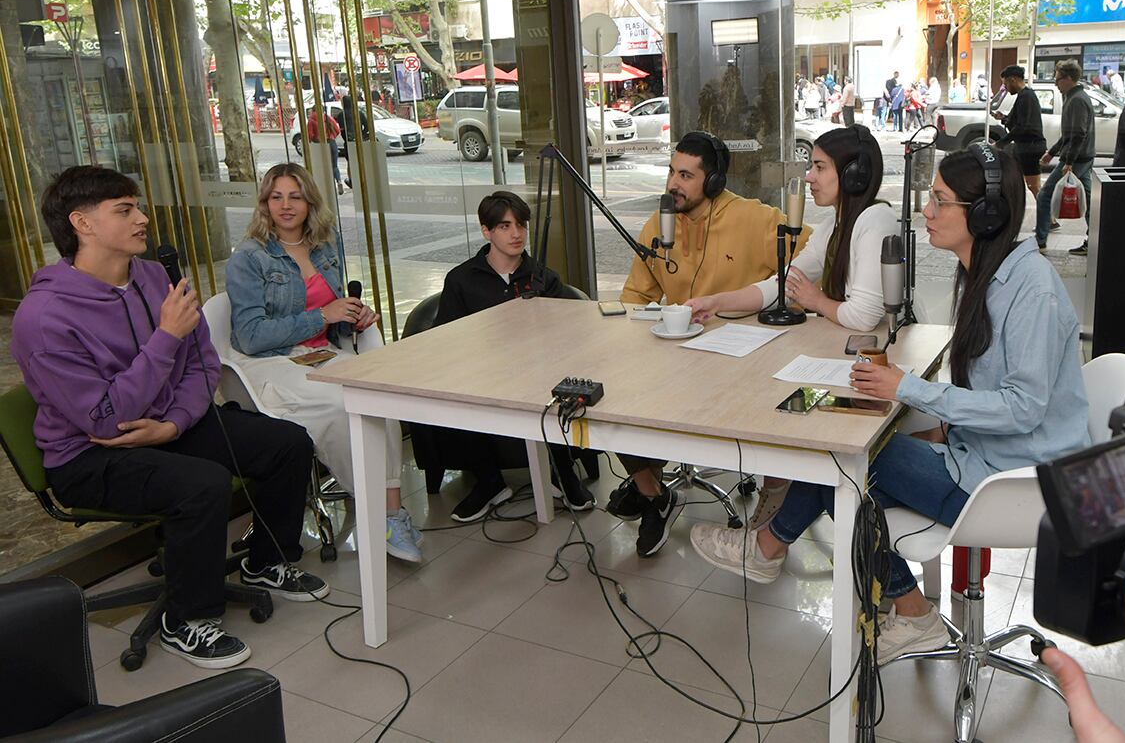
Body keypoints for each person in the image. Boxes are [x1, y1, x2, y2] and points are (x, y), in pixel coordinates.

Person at [689, 146, 1091, 666]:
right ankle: (770, 547)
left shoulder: (1030, 289)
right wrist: (935, 424)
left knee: (843, 468)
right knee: (845, 439)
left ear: (985, 215)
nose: (925, 211)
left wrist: (906, 388)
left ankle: (904, 607)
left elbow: (1022, 410)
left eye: (940, 201)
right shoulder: (988, 271)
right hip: (983, 454)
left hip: (1009, 482)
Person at [12, 166, 330, 669]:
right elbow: (103, 417)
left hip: (164, 426)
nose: (142, 218)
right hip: (92, 454)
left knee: (287, 442)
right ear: (82, 223)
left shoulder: (154, 276)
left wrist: (175, 423)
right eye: (124, 210)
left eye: (138, 206)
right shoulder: (43, 318)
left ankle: (266, 562)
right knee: (201, 483)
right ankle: (185, 619)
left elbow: (202, 361)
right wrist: (164, 338)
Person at [612, 132, 813, 556]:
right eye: (671, 171)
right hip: (675, 357)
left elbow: (816, 252)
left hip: (741, 365)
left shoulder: (753, 219)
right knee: (607, 399)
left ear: (715, 181)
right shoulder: (659, 223)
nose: (673, 184)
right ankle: (655, 495)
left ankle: (775, 487)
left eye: (686, 175)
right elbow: (635, 297)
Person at [688, 125, 897, 529]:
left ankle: (778, 504)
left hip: (870, 366)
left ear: (853, 174)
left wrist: (816, 300)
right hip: (842, 356)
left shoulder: (874, 219)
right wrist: (717, 302)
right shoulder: (838, 223)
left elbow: (862, 315)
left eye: (819, 167)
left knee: (790, 406)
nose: (809, 177)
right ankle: (777, 498)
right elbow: (783, 283)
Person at [224, 163, 423, 564]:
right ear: (264, 203)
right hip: (271, 362)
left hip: (324, 355)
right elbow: (250, 336)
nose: (285, 205)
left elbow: (332, 312)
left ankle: (389, 511)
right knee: (342, 404)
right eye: (275, 197)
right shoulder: (249, 258)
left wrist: (356, 315)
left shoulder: (325, 246)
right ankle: (381, 513)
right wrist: (323, 317)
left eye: (294, 196)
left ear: (309, 200)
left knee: (379, 397)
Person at [407, 191, 597, 522]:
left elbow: (564, 336)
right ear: (487, 231)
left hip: (537, 369)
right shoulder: (461, 279)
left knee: (557, 386)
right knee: (462, 393)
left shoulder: (543, 278)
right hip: (481, 371)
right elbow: (445, 338)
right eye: (505, 226)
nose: (516, 234)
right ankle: (490, 482)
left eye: (521, 225)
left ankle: (563, 474)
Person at [1037, 59, 1096, 255]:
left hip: (1078, 159)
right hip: (1083, 158)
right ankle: (1095, 240)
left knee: (1045, 195)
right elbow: (1070, 134)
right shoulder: (1075, 97)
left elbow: (1078, 134)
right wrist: (1052, 152)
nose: (1056, 83)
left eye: (1058, 79)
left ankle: (1040, 241)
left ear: (1069, 79)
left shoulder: (1077, 100)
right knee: (1089, 201)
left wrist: (1068, 162)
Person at [993, 65, 1047, 197]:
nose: (1005, 87)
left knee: (1034, 187)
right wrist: (1004, 118)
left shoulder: (1026, 97)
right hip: (1025, 147)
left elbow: (1023, 126)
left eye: (1005, 83)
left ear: (1013, 80)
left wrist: (1000, 143)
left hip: (1030, 148)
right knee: (1022, 185)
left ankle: (1045, 216)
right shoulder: (1024, 96)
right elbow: (1020, 121)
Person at [304, 108, 343, 188]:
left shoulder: (311, 120)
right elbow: (337, 130)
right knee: (334, 165)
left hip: (320, 145)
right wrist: (332, 136)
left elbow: (310, 135)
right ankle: (338, 181)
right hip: (331, 142)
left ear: (313, 111)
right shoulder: (327, 117)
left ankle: (328, 185)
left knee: (323, 166)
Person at [338, 93, 368, 189]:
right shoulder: (359, 113)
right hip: (359, 140)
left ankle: (352, 180)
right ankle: (364, 177)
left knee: (350, 161)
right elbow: (367, 126)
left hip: (348, 141)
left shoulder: (341, 115)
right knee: (361, 159)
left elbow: (342, 130)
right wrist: (361, 135)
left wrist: (347, 139)